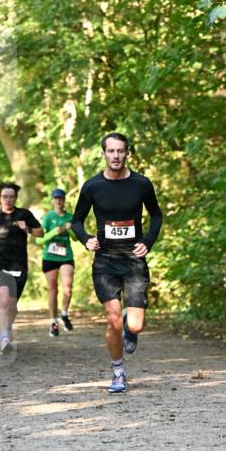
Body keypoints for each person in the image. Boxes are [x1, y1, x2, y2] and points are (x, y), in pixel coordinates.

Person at [72, 132, 162, 393]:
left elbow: (156, 215)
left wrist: (149, 240)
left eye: (120, 151)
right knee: (113, 321)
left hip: (134, 260)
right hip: (105, 261)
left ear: (127, 153)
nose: (115, 156)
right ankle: (118, 373)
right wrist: (85, 239)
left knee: (135, 325)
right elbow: (76, 220)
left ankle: (128, 324)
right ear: (103, 154)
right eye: (111, 151)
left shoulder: (141, 184)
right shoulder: (92, 186)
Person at [0, 182, 43, 355]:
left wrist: (28, 228)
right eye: (4, 196)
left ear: (16, 198)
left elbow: (41, 232)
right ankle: (4, 338)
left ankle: (7, 328)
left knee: (13, 306)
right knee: (3, 300)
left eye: (11, 196)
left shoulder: (24, 214)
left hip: (18, 265)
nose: (8, 199)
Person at [39, 187, 77, 338]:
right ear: (52, 200)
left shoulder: (70, 217)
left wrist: (70, 229)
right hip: (49, 257)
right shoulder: (48, 218)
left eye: (61, 198)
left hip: (65, 256)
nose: (59, 201)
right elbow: (39, 239)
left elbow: (75, 238)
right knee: (53, 289)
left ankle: (64, 313)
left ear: (64, 200)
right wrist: (55, 231)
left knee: (67, 287)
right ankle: (53, 322)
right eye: (56, 198)